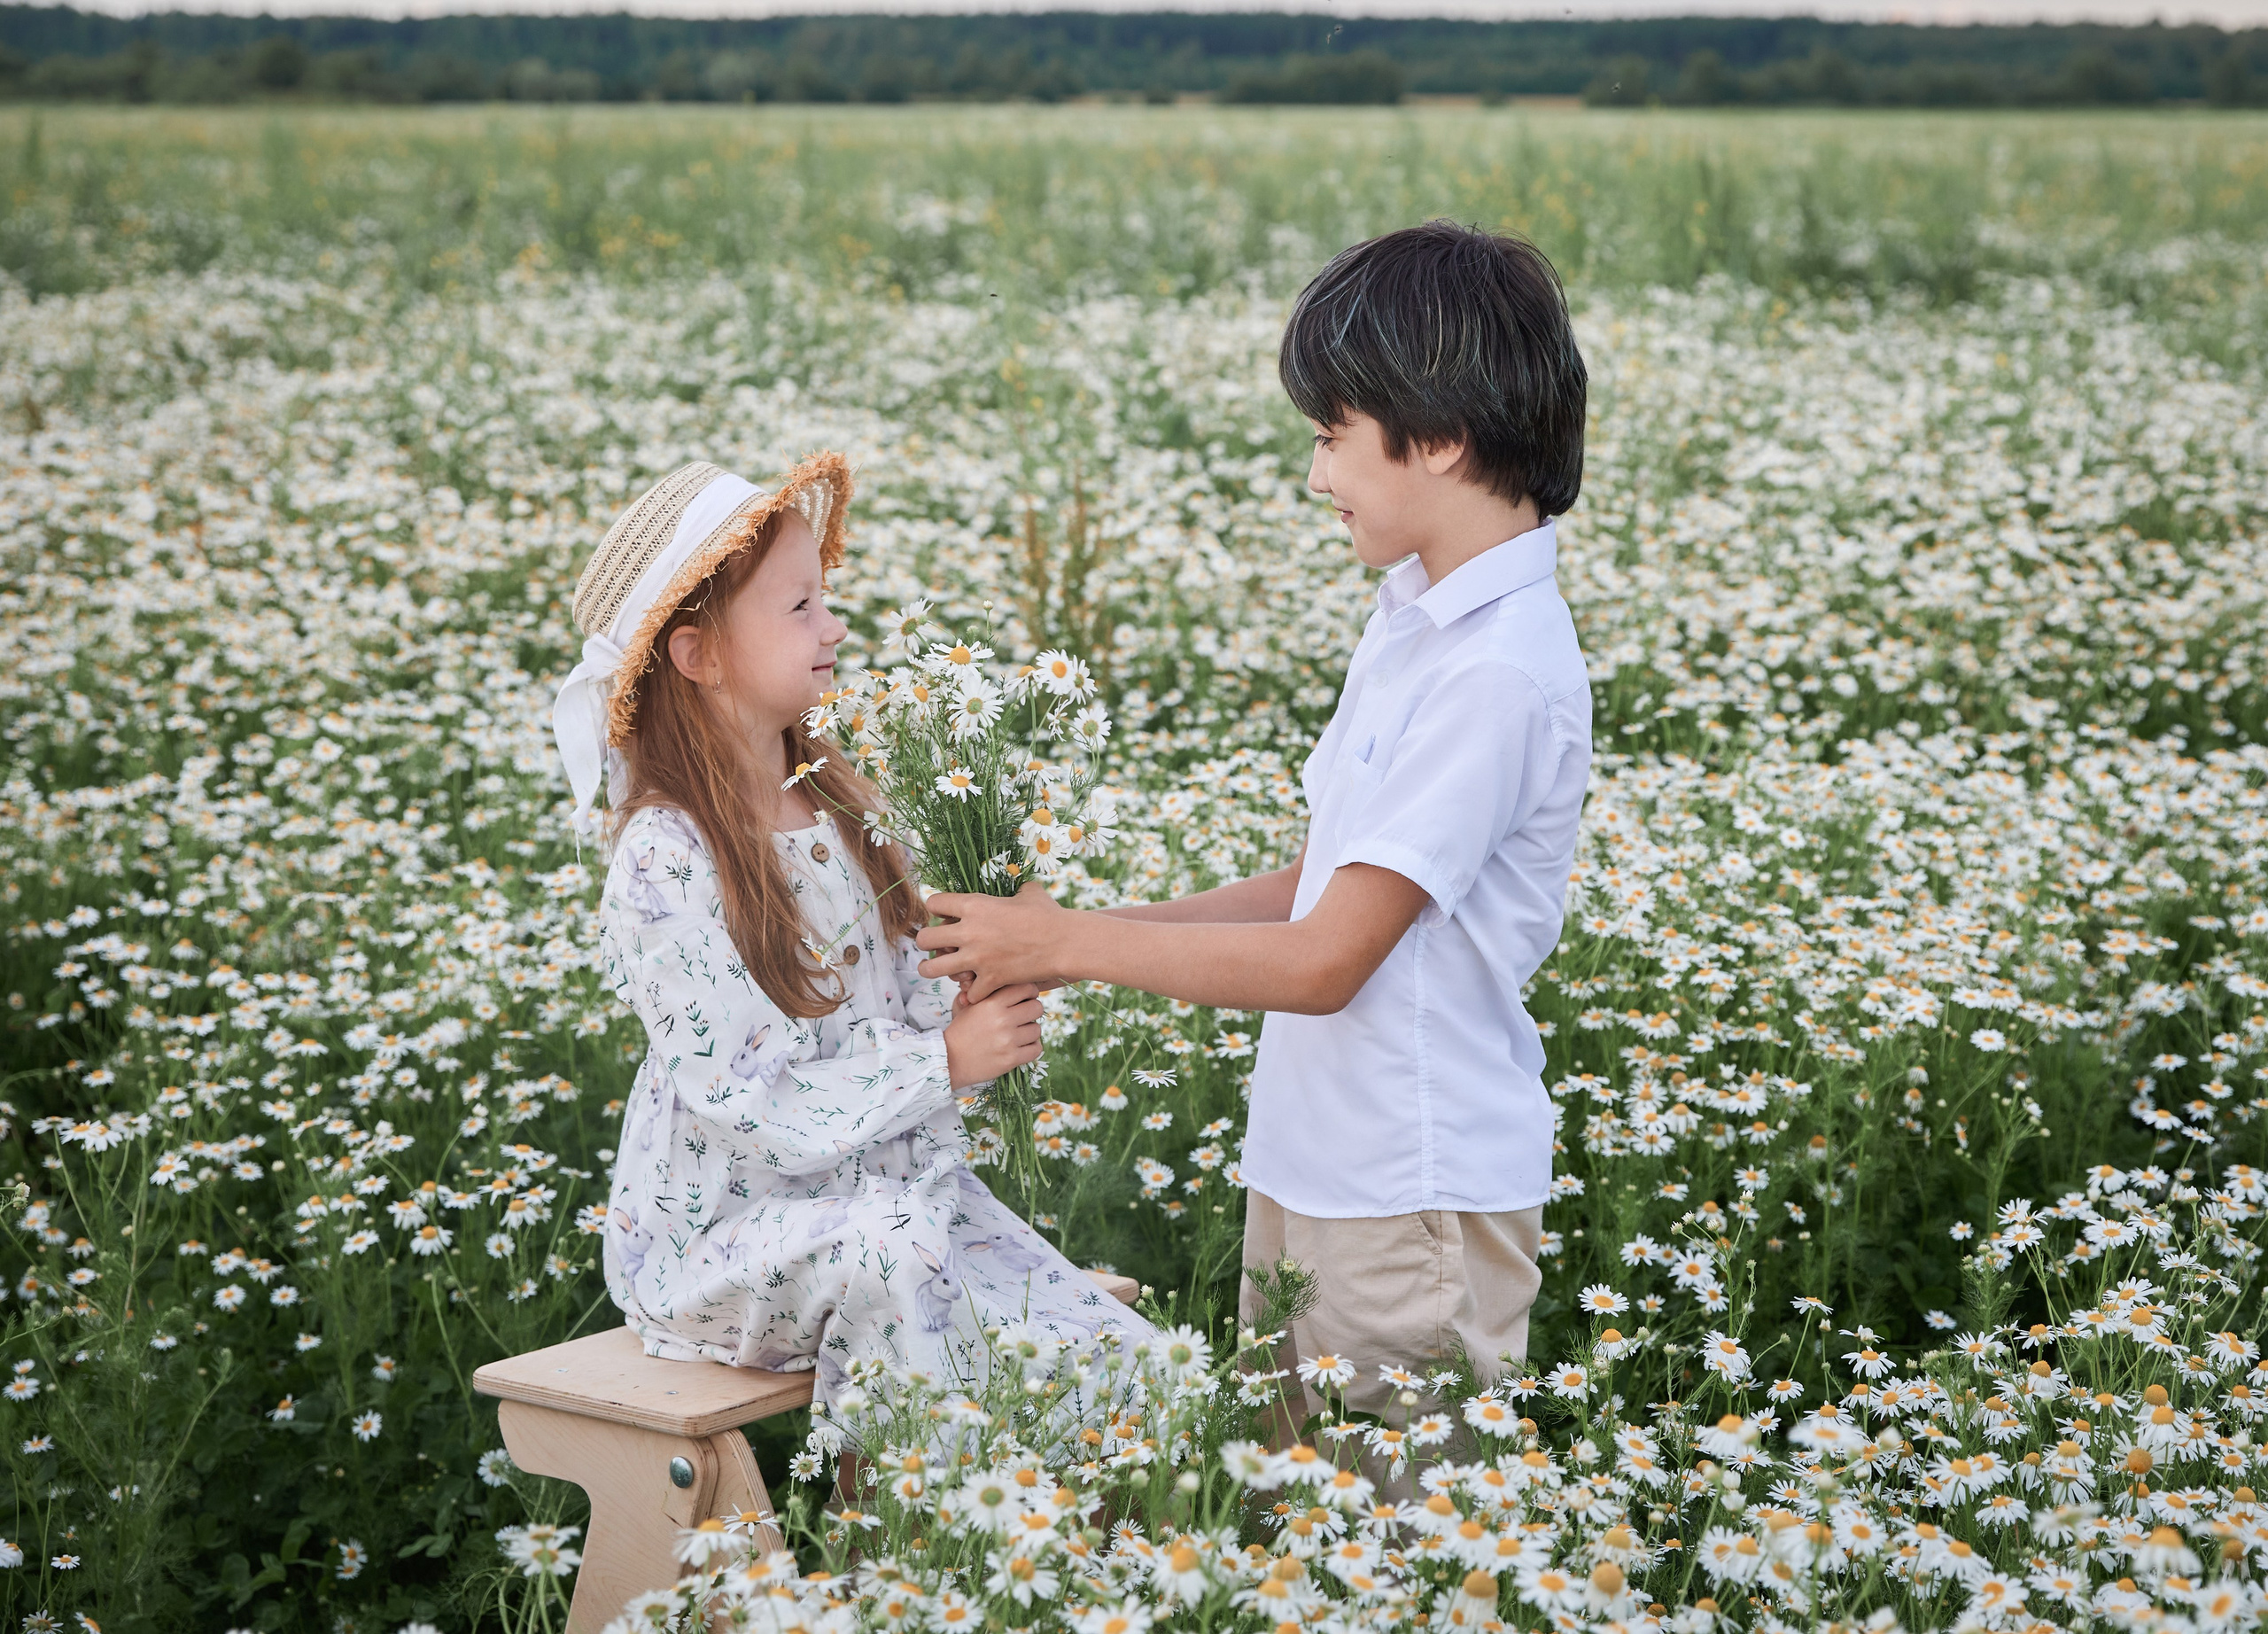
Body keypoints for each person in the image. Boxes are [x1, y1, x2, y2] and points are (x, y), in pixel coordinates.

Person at [918, 221, 1592, 1447]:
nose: (1317, 472)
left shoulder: (1496, 671)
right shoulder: (1419, 621)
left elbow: (1326, 961)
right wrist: (1062, 932)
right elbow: (1320, 883)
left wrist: (1065, 943)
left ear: (1436, 437)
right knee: (1297, 1529)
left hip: (1409, 1197)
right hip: (1326, 1167)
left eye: (1333, 434)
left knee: (1394, 1557)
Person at [551, 455, 1152, 1420]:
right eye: (798, 608)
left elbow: (906, 987)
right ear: (698, 656)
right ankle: (897, 1537)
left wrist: (985, 960)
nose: (835, 626)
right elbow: (741, 1092)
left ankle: (1052, 1541)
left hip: (885, 1195)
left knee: (1109, 1351)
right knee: (909, 1263)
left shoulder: (846, 807)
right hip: (723, 1244)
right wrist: (944, 1061)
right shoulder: (666, 857)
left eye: (825, 599)